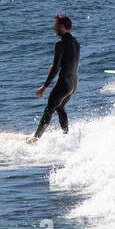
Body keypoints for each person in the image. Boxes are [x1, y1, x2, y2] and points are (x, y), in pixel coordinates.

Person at [27, 14, 80, 143]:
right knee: (60, 107)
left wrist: (44, 87)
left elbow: (56, 68)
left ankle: (35, 139)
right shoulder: (76, 42)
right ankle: (66, 136)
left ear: (62, 26)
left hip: (63, 84)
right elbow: (71, 61)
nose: (54, 28)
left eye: (56, 25)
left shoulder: (60, 43)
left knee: (48, 110)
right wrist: (59, 66)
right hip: (73, 84)